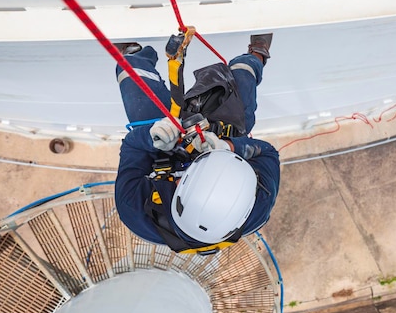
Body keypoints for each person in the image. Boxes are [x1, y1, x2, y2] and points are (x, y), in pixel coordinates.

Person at [114, 34, 280, 255]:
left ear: (178, 192)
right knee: (242, 86)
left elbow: (131, 148)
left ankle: (133, 54)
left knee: (133, 77)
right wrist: (228, 146)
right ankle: (257, 54)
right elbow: (267, 154)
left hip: (162, 150)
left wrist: (152, 136)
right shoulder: (258, 205)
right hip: (217, 139)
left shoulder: (135, 211)